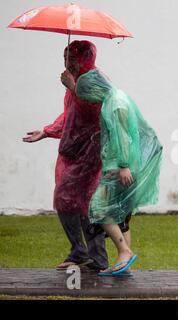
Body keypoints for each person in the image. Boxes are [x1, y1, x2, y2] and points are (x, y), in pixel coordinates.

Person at [63, 64, 163, 276]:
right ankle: (123, 265)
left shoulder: (114, 104)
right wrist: (102, 136)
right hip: (124, 164)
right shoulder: (117, 97)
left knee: (99, 208)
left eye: (88, 96)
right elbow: (121, 131)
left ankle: (124, 252)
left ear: (94, 89)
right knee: (120, 214)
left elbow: (122, 136)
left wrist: (123, 165)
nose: (90, 101)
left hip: (118, 167)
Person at [23, 40, 108, 272]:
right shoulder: (76, 81)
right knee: (70, 202)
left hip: (89, 151)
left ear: (85, 59)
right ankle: (83, 253)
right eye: (65, 57)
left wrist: (74, 87)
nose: (67, 63)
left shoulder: (95, 80)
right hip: (70, 150)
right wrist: (47, 131)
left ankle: (95, 255)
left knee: (80, 202)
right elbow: (70, 114)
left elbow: (101, 110)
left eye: (72, 58)